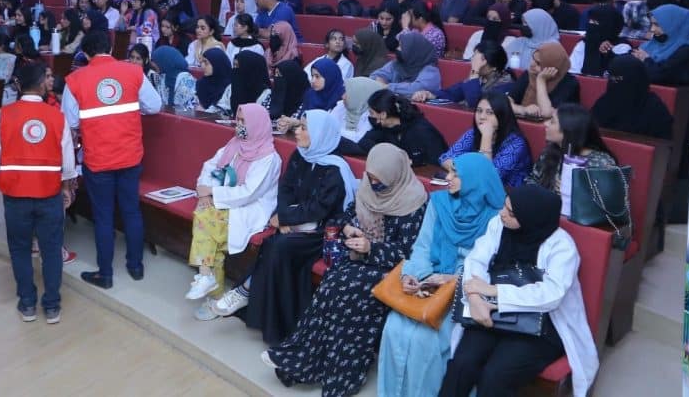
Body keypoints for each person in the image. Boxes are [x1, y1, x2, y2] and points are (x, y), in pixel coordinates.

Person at [264, 143, 428, 396]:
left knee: (354, 294)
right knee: (332, 284)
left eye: (378, 180)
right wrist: (348, 228)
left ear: (394, 175)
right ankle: (304, 362)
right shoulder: (368, 188)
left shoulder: (413, 201)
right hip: (361, 257)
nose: (373, 184)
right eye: (370, 178)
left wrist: (371, 248)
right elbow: (346, 216)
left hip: (391, 267)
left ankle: (342, 376)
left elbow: (409, 252)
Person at [439, 186, 598, 397]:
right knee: (462, 364)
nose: (501, 214)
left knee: (495, 376)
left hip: (541, 325)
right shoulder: (499, 225)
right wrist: (476, 299)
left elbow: (551, 295)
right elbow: (476, 260)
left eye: (511, 212)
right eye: (504, 206)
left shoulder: (561, 246)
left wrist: (494, 291)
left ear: (531, 217)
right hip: (492, 312)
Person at [212, 110, 353, 344]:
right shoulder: (301, 156)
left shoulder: (335, 169)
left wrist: (287, 219)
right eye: (299, 126)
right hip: (293, 223)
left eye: (304, 128)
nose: (297, 131)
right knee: (275, 244)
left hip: (320, 233)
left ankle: (247, 292)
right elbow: (285, 189)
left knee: (277, 246)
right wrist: (283, 216)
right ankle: (255, 305)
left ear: (320, 134)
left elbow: (319, 209)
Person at [378, 153, 505, 397]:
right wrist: (412, 276)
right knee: (394, 328)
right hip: (430, 277)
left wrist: (451, 280)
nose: (448, 177)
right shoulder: (440, 204)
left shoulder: (496, 220)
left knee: (426, 340)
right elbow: (423, 247)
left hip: (465, 290)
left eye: (456, 173)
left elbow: (488, 268)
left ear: (475, 180)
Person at [63, 30, 162, 289]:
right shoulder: (133, 72)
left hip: (98, 159)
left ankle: (105, 274)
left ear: (85, 53)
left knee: (103, 216)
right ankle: (136, 266)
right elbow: (155, 105)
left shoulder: (75, 80)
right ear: (112, 47)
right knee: (131, 211)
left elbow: (70, 122)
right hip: (130, 155)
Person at [0, 61, 77, 325]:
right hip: (49, 195)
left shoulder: (1, 115)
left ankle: (27, 304)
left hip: (14, 196)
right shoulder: (57, 116)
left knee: (20, 249)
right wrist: (66, 188)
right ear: (41, 85)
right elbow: (68, 166)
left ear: (18, 85)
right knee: (51, 250)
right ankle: (52, 307)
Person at [186, 104, 283, 318]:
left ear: (256, 125)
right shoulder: (235, 144)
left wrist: (211, 192)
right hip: (225, 200)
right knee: (209, 227)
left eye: (243, 122)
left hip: (250, 208)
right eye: (237, 120)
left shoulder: (269, 157)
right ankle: (211, 287)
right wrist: (204, 193)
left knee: (205, 221)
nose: (239, 125)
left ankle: (209, 283)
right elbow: (210, 166)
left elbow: (249, 193)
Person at [439, 95, 531, 187]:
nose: (482, 117)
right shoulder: (474, 133)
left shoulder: (516, 143)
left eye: (490, 113)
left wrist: (486, 136)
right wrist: (466, 170)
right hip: (477, 189)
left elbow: (487, 177)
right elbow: (445, 158)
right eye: (479, 111)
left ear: (502, 116)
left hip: (507, 195)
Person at [528, 103, 617, 192]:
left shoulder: (600, 163)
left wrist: (575, 193)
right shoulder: (550, 151)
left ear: (568, 131)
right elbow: (532, 181)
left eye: (552, 122)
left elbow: (606, 198)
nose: (545, 123)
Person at [348, 89, 447, 166]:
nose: (370, 116)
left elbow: (439, 161)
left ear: (383, 114)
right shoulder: (385, 128)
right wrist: (390, 155)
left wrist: (414, 161)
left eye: (372, 113)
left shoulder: (421, 130)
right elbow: (364, 142)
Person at [413, 41, 515, 109]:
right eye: (475, 56)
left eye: (482, 60)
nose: (474, 61)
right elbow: (452, 93)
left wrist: (475, 72)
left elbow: (475, 105)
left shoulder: (506, 83)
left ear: (494, 66)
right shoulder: (479, 78)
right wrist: (430, 94)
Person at [592, 55, 673, 139]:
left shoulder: (655, 109)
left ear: (636, 79)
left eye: (619, 78)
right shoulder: (605, 101)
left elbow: (663, 146)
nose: (614, 82)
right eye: (612, 78)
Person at [509, 42, 579, 119]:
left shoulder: (569, 83)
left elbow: (546, 113)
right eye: (533, 59)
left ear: (553, 67)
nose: (532, 64)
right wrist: (523, 110)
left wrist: (541, 81)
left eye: (538, 63)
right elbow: (506, 102)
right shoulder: (530, 74)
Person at [631, 4, 689, 85]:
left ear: (674, 25)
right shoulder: (658, 41)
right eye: (652, 24)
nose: (652, 29)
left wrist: (646, 60)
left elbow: (659, 76)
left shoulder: (688, 51)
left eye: (657, 24)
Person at [371, 31, 441, 96]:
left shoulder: (430, 70)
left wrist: (387, 87)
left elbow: (417, 88)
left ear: (413, 51)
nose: (397, 48)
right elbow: (375, 76)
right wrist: (379, 80)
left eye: (401, 46)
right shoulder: (397, 63)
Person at [576, 4, 624, 76]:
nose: (591, 25)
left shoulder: (622, 47)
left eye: (596, 22)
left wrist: (608, 55)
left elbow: (619, 78)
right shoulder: (583, 43)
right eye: (590, 21)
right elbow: (573, 74)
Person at [152, 45, 198, 109]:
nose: (153, 64)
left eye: (155, 61)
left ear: (165, 61)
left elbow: (188, 109)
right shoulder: (163, 76)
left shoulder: (185, 79)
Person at [342, 77, 384, 143]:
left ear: (360, 95)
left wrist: (335, 132)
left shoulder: (372, 115)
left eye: (349, 93)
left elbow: (358, 139)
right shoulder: (341, 106)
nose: (343, 97)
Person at [195, 48, 233, 113]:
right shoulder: (201, 83)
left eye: (206, 63)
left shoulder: (230, 87)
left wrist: (206, 112)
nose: (202, 66)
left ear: (217, 64)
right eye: (202, 62)